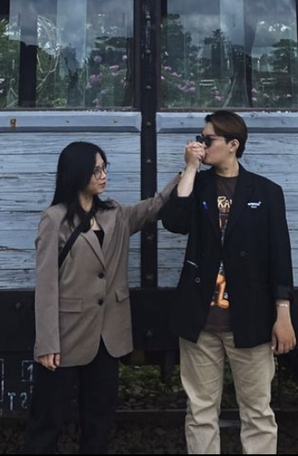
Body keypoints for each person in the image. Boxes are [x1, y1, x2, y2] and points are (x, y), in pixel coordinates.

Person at [24, 141, 179, 455]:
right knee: (47, 421)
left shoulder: (115, 214)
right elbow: (46, 286)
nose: (103, 175)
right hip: (65, 337)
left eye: (104, 168)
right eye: (96, 169)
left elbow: (154, 207)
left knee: (99, 421)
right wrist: (47, 343)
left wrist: (188, 169)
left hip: (108, 336)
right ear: (76, 173)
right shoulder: (54, 219)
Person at [160, 110, 296, 455]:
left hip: (250, 320)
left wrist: (283, 314)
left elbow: (279, 257)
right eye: (200, 138)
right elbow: (174, 222)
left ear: (233, 145)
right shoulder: (196, 184)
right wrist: (190, 168)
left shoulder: (266, 192)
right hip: (200, 320)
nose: (200, 144)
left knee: (258, 412)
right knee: (201, 411)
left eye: (209, 140)